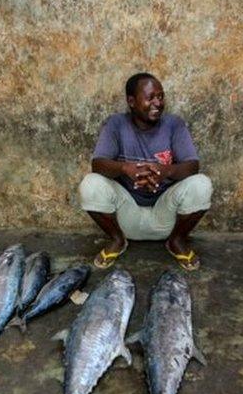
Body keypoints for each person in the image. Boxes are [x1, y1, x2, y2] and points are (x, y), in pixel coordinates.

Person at [79, 72, 213, 270]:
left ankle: (176, 242)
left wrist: (165, 171)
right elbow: (98, 164)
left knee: (202, 184)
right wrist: (126, 168)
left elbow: (192, 165)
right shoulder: (116, 124)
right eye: (150, 97)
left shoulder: (174, 125)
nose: (157, 103)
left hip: (166, 216)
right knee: (90, 184)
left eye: (160, 96)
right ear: (131, 101)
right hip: (127, 217)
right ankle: (117, 240)